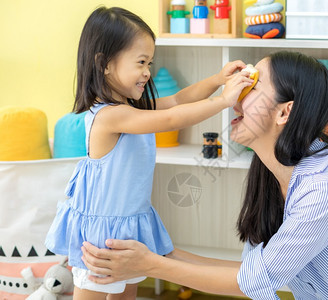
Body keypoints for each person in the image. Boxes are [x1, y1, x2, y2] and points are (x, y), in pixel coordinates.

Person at [80, 51, 328, 299]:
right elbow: (249, 270)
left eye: (251, 87)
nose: (236, 99)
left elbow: (252, 280)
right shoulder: (277, 174)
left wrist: (152, 265)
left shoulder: (325, 190)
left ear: (284, 112)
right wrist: (155, 255)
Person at [44, 6, 252, 300]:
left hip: (130, 223)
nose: (147, 72)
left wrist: (218, 79)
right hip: (103, 231)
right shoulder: (109, 117)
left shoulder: (131, 110)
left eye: (149, 63)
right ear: (104, 64)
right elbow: (171, 119)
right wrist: (223, 101)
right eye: (141, 62)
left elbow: (179, 99)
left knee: (128, 293)